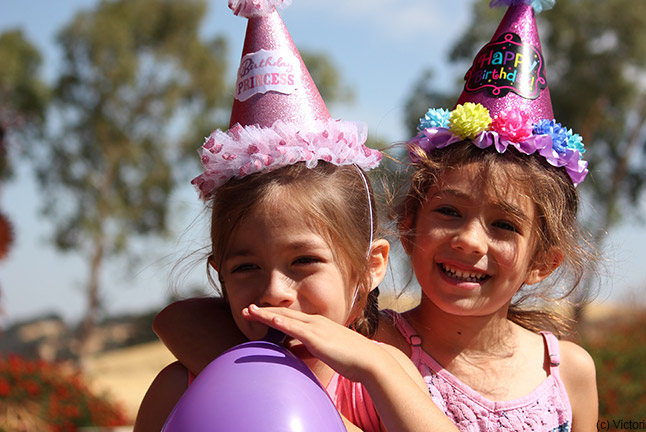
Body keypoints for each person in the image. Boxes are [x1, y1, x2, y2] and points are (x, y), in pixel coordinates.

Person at [153, 0, 599, 430]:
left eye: (504, 224)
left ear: (543, 261)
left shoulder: (375, 359)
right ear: (410, 225)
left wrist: (370, 372)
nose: (469, 240)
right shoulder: (377, 342)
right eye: (448, 211)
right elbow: (181, 320)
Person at [134, 1, 461, 431]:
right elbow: (175, 319)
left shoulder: (381, 385)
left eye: (304, 261)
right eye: (245, 266)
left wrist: (376, 371)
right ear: (220, 275)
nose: (273, 293)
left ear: (370, 267)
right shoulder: (181, 387)